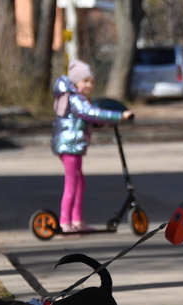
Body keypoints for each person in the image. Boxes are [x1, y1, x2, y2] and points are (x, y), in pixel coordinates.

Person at [51, 60, 133, 233]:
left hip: (71, 145)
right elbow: (91, 113)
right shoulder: (74, 98)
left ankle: (77, 220)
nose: (89, 85)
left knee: (80, 183)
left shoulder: (74, 97)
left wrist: (96, 124)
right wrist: (119, 116)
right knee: (72, 183)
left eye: (92, 82)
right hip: (70, 146)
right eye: (85, 81)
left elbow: (83, 118)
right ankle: (65, 222)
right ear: (75, 82)